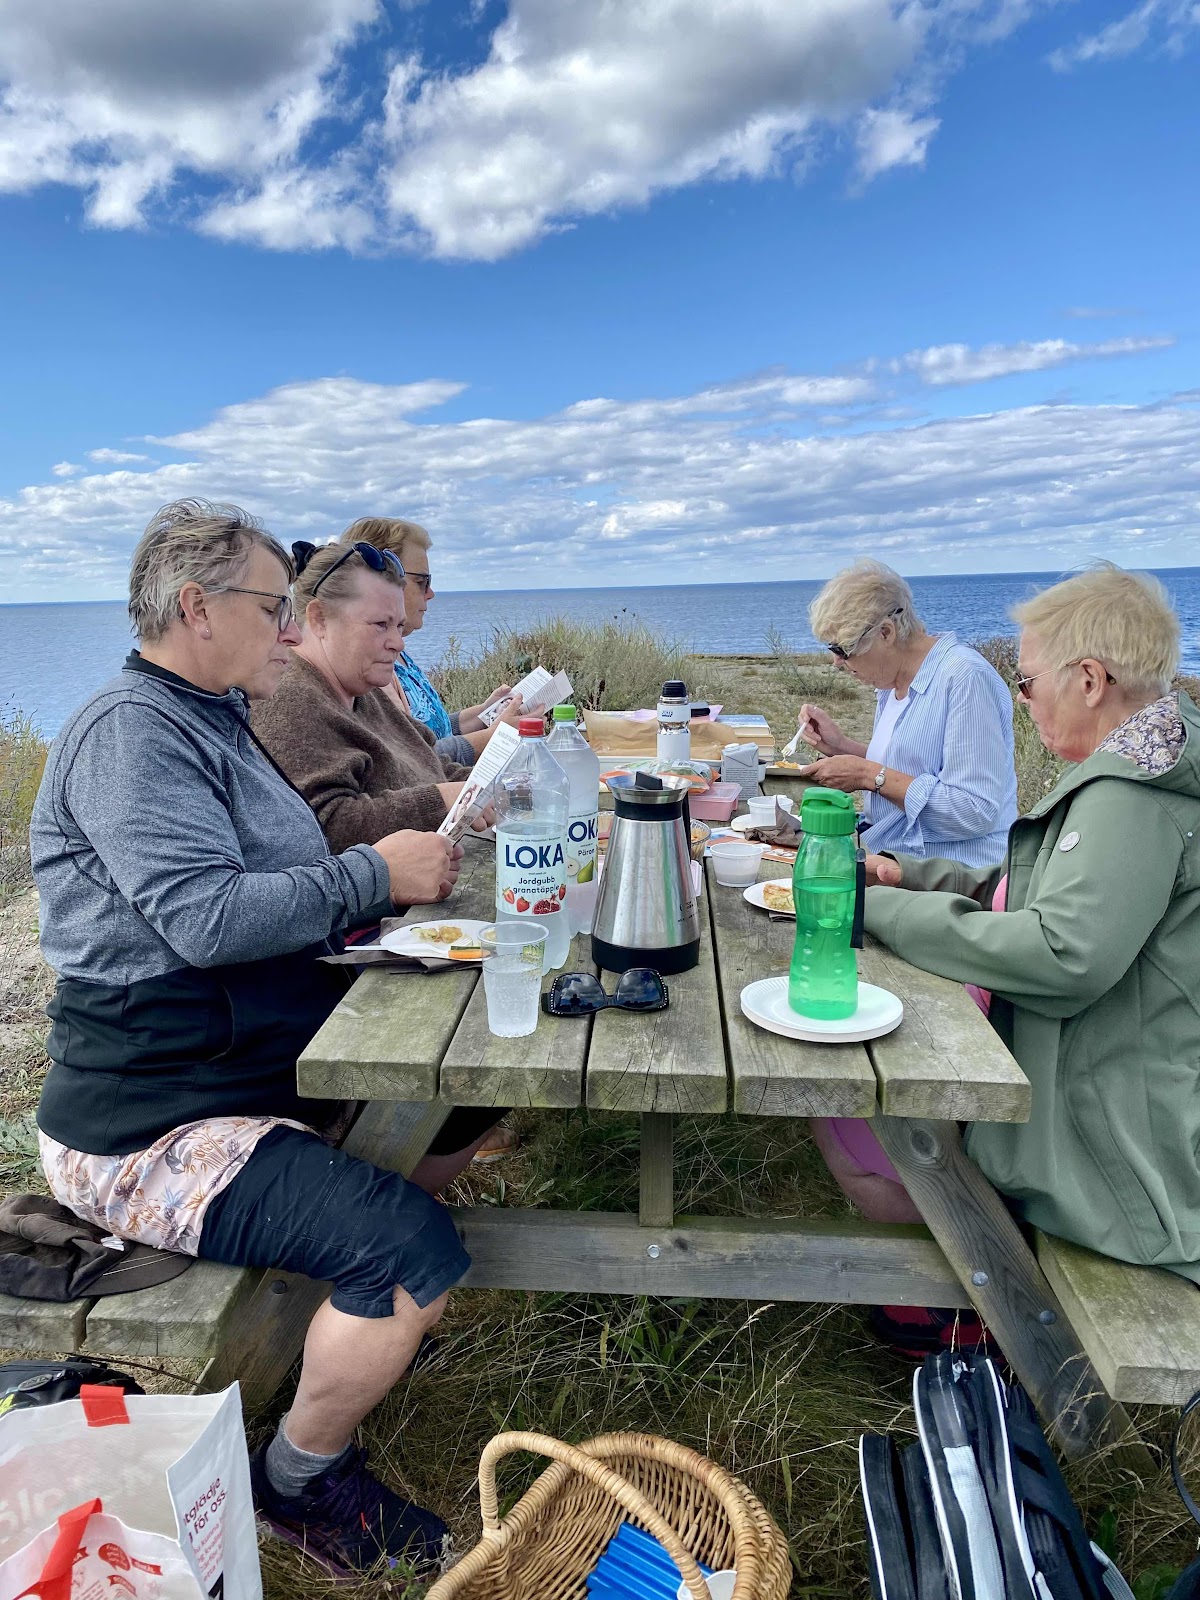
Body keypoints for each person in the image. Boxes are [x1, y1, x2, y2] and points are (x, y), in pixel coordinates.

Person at [30, 500, 500, 1576]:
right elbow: (205, 918)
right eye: (272, 606)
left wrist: (370, 901)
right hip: (151, 1117)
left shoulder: (211, 715)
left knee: (462, 1095)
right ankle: (297, 1481)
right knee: (407, 1246)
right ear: (197, 607)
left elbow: (277, 880)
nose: (291, 628)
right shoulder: (131, 732)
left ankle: (370, 1325)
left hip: (243, 1058)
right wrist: (374, 874)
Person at [840, 565, 1200, 1291]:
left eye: (1027, 681)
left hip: (1116, 1171)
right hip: (1098, 1107)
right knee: (859, 1098)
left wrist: (872, 909)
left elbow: (1060, 955)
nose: (1022, 698)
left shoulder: (1133, 800)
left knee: (858, 1121)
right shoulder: (1130, 771)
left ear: (1090, 680)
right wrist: (904, 875)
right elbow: (1025, 891)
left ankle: (951, 1314)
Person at [250, 539, 476, 851]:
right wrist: (442, 801)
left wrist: (497, 787)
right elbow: (326, 825)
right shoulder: (287, 701)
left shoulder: (360, 688)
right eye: (381, 625)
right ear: (319, 619)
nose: (398, 642)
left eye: (398, 626)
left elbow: (428, 762)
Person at [796, 559, 1017, 867]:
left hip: (955, 875)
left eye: (843, 649)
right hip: (899, 861)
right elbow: (916, 769)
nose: (837, 662)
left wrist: (865, 774)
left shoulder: (965, 677)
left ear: (886, 633)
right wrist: (842, 748)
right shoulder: (893, 682)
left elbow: (974, 810)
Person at [339, 516, 522, 765]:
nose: (430, 593)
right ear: (384, 579)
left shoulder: (397, 653)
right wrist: (494, 737)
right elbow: (407, 760)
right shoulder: (372, 667)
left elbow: (428, 732)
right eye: (422, 582)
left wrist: (485, 714)